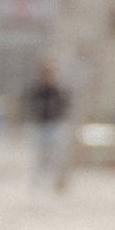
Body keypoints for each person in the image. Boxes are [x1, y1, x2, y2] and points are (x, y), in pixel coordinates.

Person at [25, 60, 71, 188]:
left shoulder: (59, 89)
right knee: (39, 156)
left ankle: (59, 182)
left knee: (59, 155)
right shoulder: (36, 89)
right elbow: (29, 106)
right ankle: (37, 182)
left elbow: (65, 106)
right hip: (40, 125)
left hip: (55, 124)